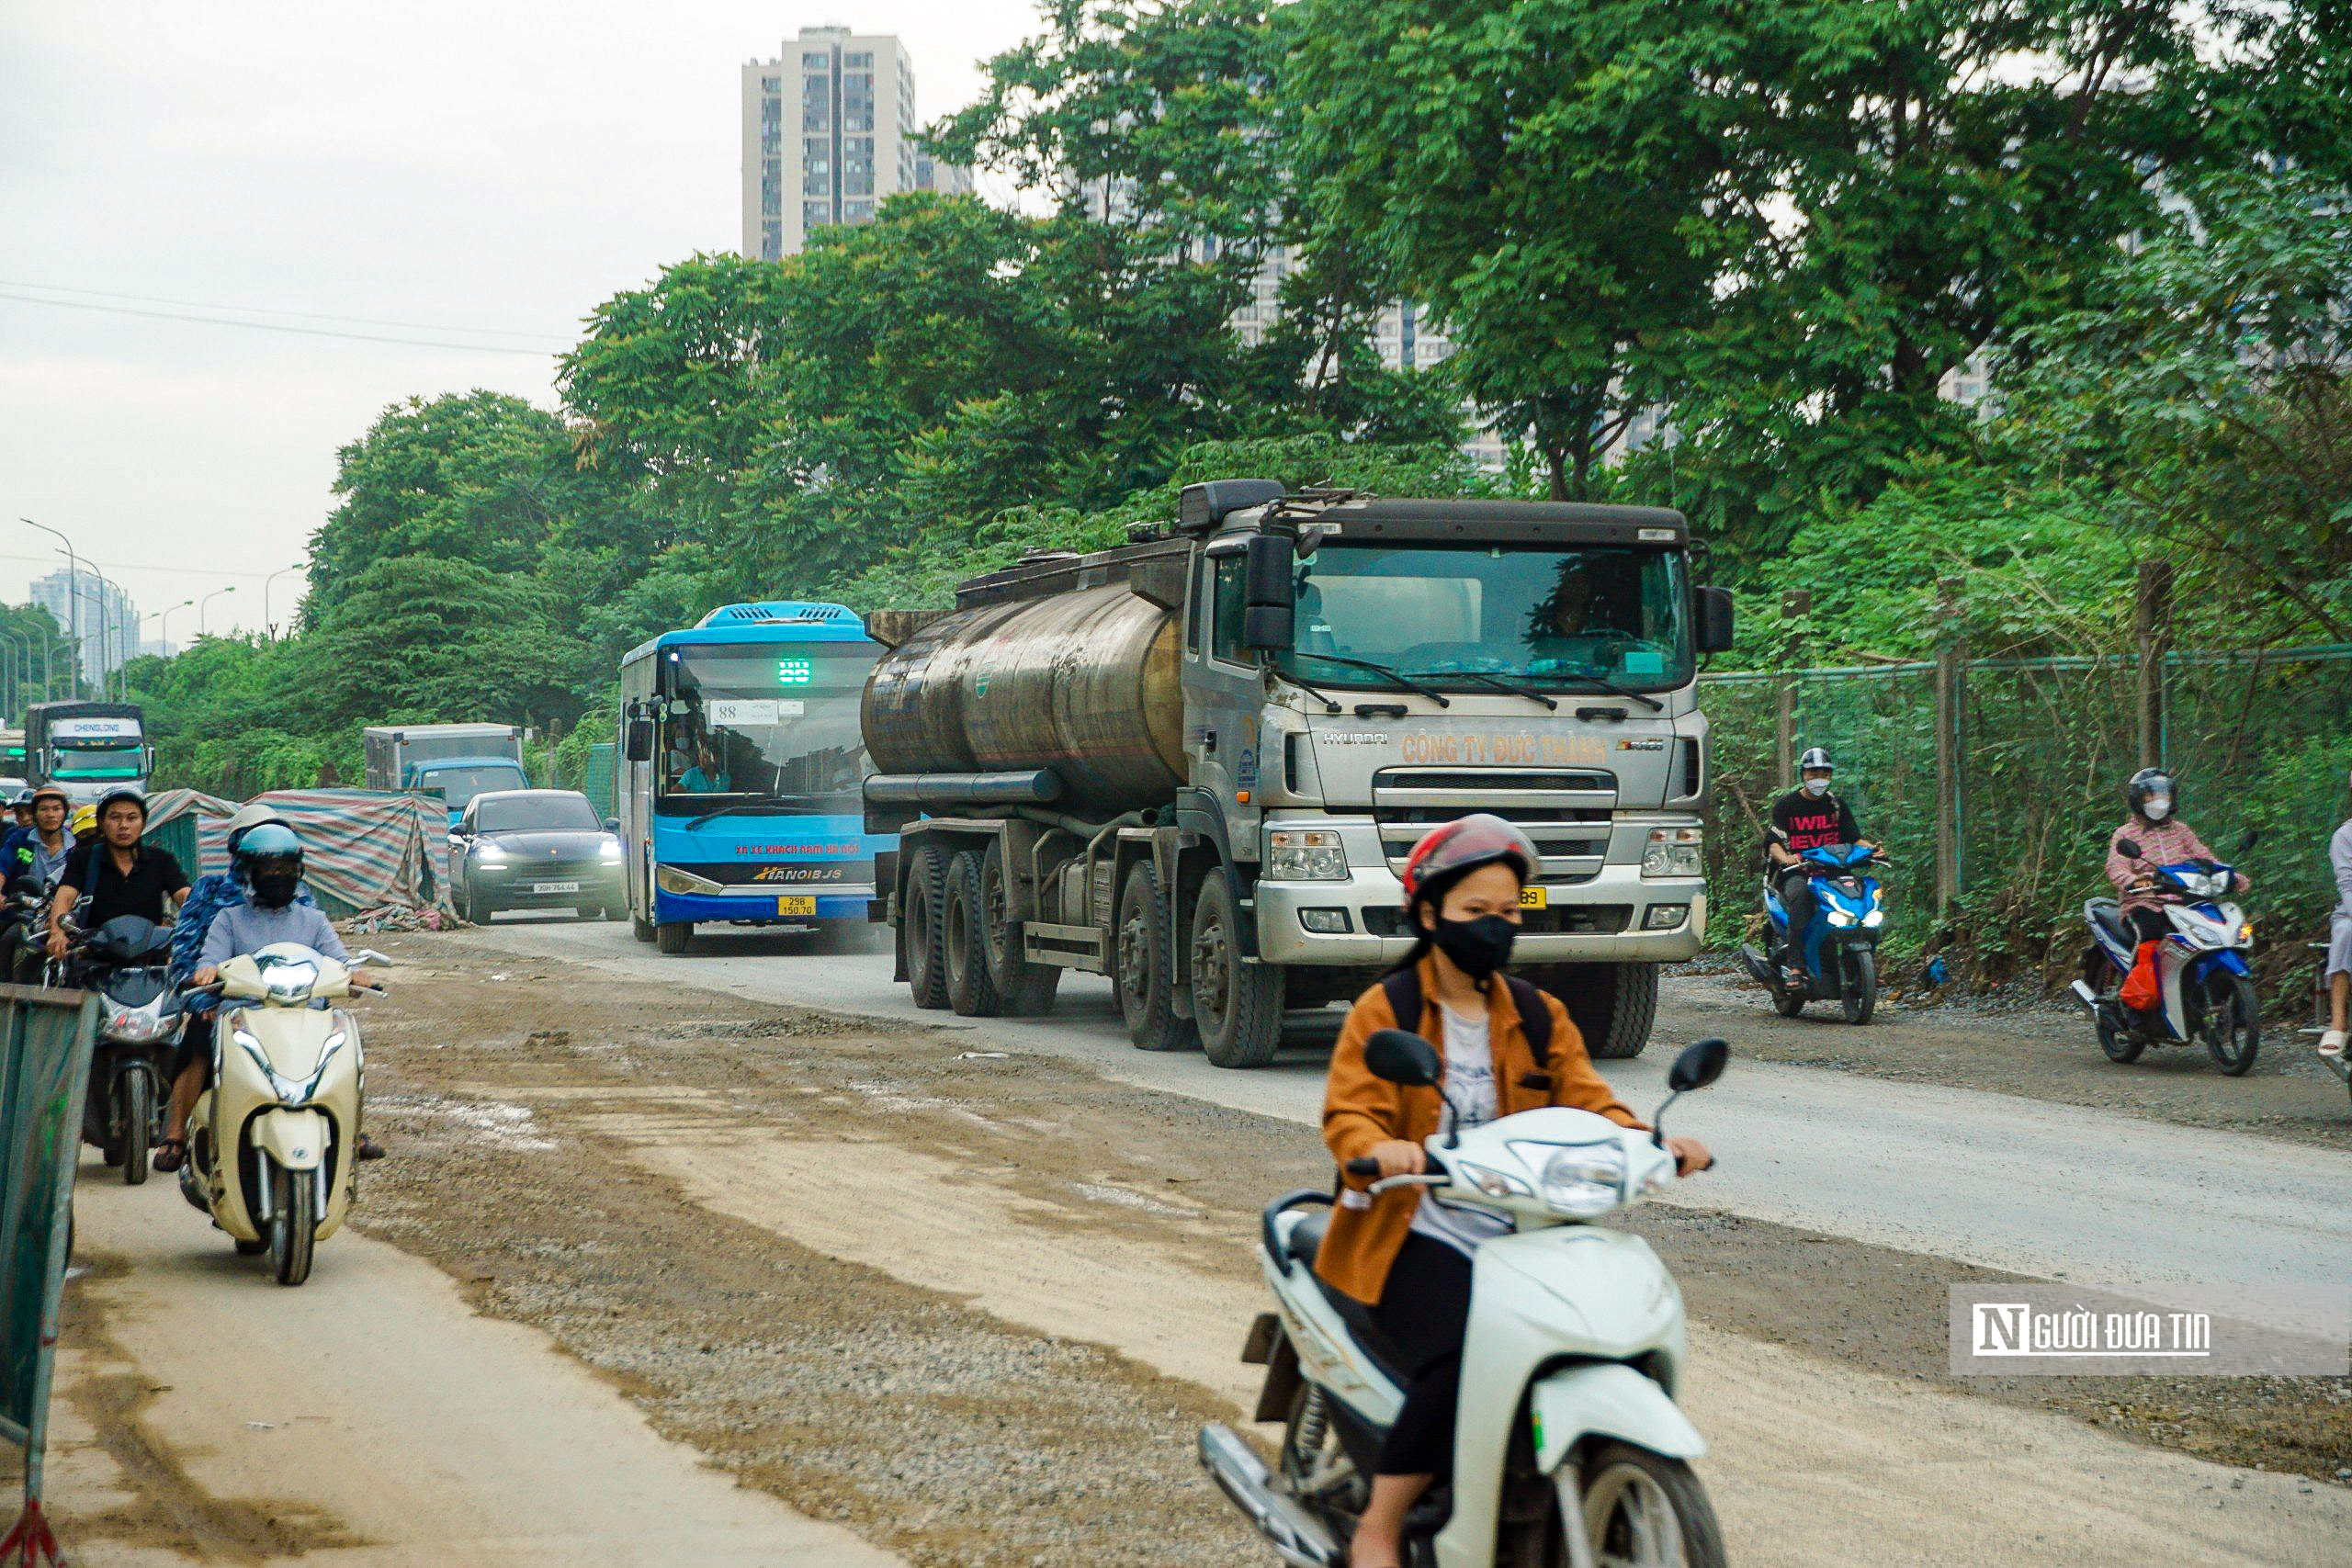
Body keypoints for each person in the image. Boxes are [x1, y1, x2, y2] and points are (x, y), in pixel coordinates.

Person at [1317, 814, 1713, 1568]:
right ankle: (1382, 1523)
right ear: (1429, 914)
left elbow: (1594, 1104)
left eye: (1508, 913)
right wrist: (1379, 1149)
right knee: (1466, 1348)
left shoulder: (1537, 1013)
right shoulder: (1387, 1010)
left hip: (1531, 1233)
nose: (1495, 928)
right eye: (1476, 913)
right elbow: (1349, 1113)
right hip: (1417, 1228)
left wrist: (1653, 1144)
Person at [156, 805, 376, 1171]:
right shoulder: (219, 906)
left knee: (346, 1047)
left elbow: (335, 958)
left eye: (284, 864)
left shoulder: (309, 910)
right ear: (244, 859)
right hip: (236, 1005)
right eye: (266, 863)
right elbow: (197, 952)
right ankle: (176, 1135)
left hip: (301, 1005)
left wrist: (353, 976)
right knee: (197, 1041)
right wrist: (204, 985)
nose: (276, 871)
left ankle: (352, 1131)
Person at [2104, 769, 2246, 1008]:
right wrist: (2133, 881)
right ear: (2138, 799)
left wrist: (2231, 876)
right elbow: (2115, 868)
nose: (2159, 801)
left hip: (2186, 903)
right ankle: (2138, 999)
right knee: (2150, 935)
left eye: (2164, 795)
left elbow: (2205, 858)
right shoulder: (2125, 834)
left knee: (2216, 931)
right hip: (2145, 903)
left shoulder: (2181, 831)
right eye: (2151, 796)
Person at [1764, 747, 1875, 986]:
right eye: (1813, 772)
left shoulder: (1836, 805)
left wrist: (1873, 850)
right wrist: (1786, 859)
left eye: (1824, 773)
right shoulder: (1787, 805)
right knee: (1800, 897)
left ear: (1831, 776)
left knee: (1864, 899)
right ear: (1803, 775)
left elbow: (1855, 838)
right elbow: (1773, 842)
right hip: (1798, 873)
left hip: (1834, 873)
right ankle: (1796, 966)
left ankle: (1866, 967)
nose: (1819, 778)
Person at [45, 788, 188, 966]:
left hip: (149, 962)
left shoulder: (161, 860)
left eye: (132, 818)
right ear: (102, 823)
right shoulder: (83, 859)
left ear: (143, 823)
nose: (124, 825)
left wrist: (199, 919)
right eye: (115, 817)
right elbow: (64, 896)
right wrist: (57, 933)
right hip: (95, 961)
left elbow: (185, 895)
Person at [4, 788, 75, 980]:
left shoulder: (76, 845)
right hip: (27, 914)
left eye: (56, 809)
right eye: (44, 809)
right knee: (9, 940)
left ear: (64, 812)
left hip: (67, 918)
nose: (50, 815)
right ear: (36, 813)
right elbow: (3, 867)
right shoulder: (20, 839)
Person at [2320, 768, 2350, 1058]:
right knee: (2345, 932)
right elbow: (2347, 883)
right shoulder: (2344, 836)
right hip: (2351, 911)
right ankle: (2339, 1020)